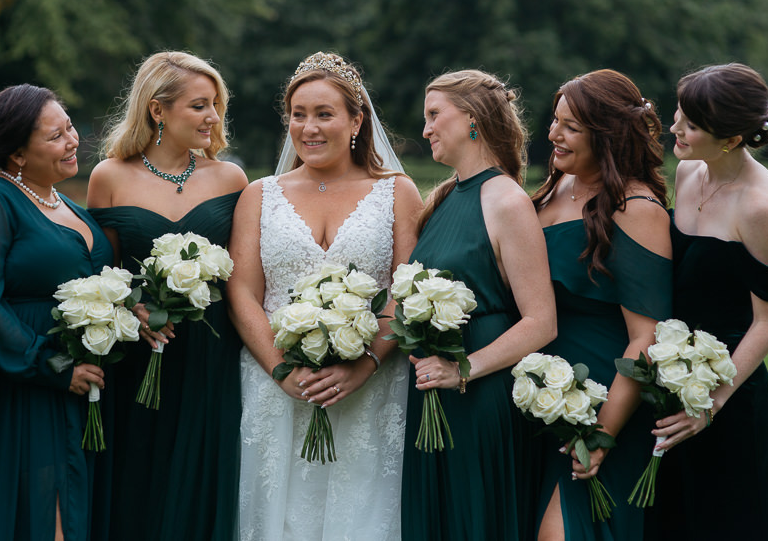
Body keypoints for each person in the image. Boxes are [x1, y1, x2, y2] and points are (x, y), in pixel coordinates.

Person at [228, 51, 423, 541]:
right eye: (298, 115)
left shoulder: (397, 192)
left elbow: (406, 290)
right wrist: (281, 368)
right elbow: (244, 293)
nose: (308, 128)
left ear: (357, 120)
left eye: (324, 114)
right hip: (277, 386)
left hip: (370, 388)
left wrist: (365, 365)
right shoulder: (260, 194)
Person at [86, 51, 248, 540]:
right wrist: (132, 309)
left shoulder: (231, 179)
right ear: (158, 110)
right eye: (199, 106)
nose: (213, 117)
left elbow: (241, 277)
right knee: (139, 483)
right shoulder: (109, 176)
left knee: (203, 481)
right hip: (140, 356)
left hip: (210, 358)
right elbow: (101, 275)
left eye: (216, 105)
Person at [402, 70, 557, 540]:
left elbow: (541, 321)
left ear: (471, 119)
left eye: (434, 115)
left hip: (479, 391)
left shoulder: (506, 199)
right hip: (432, 391)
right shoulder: (446, 196)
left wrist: (463, 368)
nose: (426, 128)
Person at [646, 64, 768, 540]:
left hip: (730, 390)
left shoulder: (761, 206)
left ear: (731, 138)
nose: (675, 128)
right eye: (679, 114)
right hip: (669, 378)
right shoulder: (690, 169)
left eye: (689, 125)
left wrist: (710, 403)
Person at [0, 84, 111, 541]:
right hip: (27, 385)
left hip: (84, 387)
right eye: (56, 135)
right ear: (18, 154)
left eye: (70, 128)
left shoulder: (68, 205)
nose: (73, 140)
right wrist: (54, 366)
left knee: (77, 507)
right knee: (45, 516)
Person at [531, 69, 671, 541]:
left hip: (603, 399)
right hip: (540, 398)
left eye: (570, 127)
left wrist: (601, 435)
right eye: (555, 121)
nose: (553, 134)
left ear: (606, 135)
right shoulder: (553, 189)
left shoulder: (636, 208)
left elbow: (645, 338)